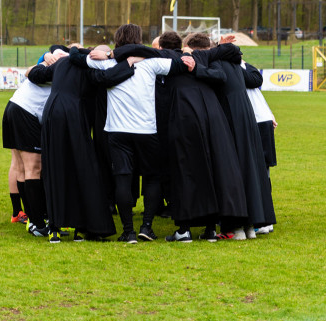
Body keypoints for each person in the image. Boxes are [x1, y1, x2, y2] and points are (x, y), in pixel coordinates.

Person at [115, 31, 246, 242]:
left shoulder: (169, 58)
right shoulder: (202, 56)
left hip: (183, 119)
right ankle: (210, 228)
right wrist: (214, 50)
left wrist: (112, 54)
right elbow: (230, 53)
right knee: (207, 169)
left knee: (184, 171)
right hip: (208, 118)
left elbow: (139, 50)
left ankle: (185, 229)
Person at [79, 24, 193, 244]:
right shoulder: (151, 63)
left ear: (117, 40)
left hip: (117, 130)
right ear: (139, 40)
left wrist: (105, 54)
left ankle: (128, 231)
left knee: (123, 177)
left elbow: (75, 57)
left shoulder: (106, 62)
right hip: (146, 130)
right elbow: (181, 63)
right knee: (152, 178)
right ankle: (147, 227)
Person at [40, 43, 135, 243]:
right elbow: (107, 79)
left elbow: (36, 74)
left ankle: (54, 227)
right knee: (83, 168)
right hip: (73, 113)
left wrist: (47, 56)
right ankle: (84, 227)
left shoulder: (61, 63)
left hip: (51, 112)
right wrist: (130, 65)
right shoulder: (89, 66)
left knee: (55, 167)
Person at [201, 33, 274, 240]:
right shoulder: (236, 68)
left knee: (231, 172)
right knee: (250, 169)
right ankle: (251, 225)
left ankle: (234, 226)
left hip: (229, 122)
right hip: (247, 121)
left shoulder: (216, 66)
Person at [0, 48, 58, 236]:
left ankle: (32, 219)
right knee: (33, 167)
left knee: (22, 167)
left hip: (14, 107)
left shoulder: (51, 60)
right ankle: (38, 223)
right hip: (25, 112)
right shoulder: (60, 65)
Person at [244, 59, 277, 235]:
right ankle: (264, 219)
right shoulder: (246, 68)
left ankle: (263, 219)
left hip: (255, 121)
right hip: (261, 119)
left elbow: (254, 82)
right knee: (263, 171)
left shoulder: (238, 70)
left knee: (259, 172)